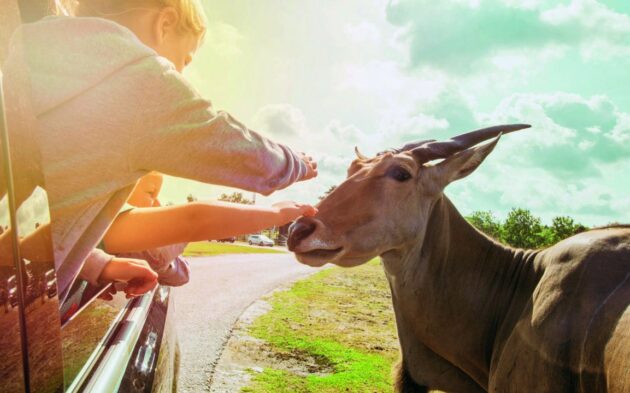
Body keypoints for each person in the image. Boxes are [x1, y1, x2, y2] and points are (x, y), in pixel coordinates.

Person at [4, 0, 318, 299]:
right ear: (164, 23)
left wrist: (97, 263)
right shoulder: (140, 81)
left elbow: (39, 218)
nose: (180, 74)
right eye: (185, 59)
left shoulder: (24, 50)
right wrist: (296, 165)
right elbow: (235, 148)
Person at [97, 172, 316, 290]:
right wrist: (275, 213)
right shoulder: (102, 227)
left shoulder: (95, 244)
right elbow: (196, 220)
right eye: (151, 193)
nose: (158, 204)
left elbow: (180, 272)